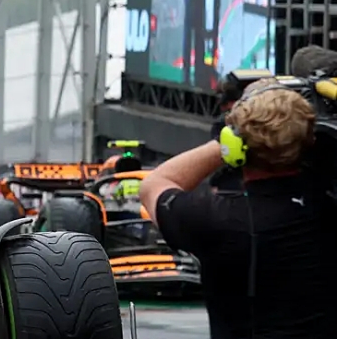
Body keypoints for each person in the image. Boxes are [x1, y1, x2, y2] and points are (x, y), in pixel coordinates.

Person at [139, 84, 337, 338]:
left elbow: (154, 185)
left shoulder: (212, 217)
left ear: (234, 146)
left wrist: (225, 142)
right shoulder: (327, 206)